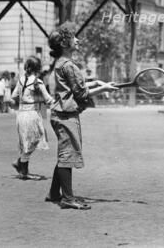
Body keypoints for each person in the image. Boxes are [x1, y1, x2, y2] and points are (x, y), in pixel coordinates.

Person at [45, 23, 116, 210]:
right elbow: (81, 94)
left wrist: (98, 83)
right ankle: (67, 198)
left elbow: (77, 87)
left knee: (64, 154)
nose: (78, 40)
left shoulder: (61, 63)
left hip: (59, 114)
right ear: (65, 43)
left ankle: (54, 193)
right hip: (66, 116)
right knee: (67, 155)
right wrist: (104, 88)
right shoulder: (69, 65)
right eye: (74, 37)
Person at [11, 56, 54, 179]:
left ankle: (20, 163)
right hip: (32, 114)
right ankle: (22, 168)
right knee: (35, 139)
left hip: (20, 114)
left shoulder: (21, 80)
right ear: (38, 68)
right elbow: (48, 99)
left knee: (27, 141)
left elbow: (13, 97)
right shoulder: (38, 82)